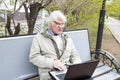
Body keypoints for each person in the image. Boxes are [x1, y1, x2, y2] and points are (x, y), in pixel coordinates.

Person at [29, 10, 81, 80]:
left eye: (63, 24)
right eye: (58, 24)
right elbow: (33, 57)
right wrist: (52, 63)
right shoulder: (39, 38)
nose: (61, 27)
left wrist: (76, 66)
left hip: (67, 74)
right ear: (50, 23)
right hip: (49, 76)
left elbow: (75, 55)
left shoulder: (67, 38)